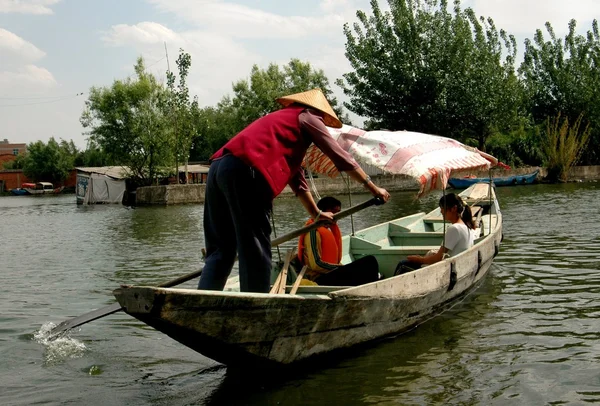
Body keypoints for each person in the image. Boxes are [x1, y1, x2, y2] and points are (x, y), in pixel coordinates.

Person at [198, 88, 391, 293]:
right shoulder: (307, 116)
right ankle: (256, 306)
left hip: (218, 168)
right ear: (321, 114)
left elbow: (297, 180)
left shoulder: (282, 124)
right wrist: (373, 187)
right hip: (245, 171)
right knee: (254, 248)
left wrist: (316, 214)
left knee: (220, 250)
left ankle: (201, 302)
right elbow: (339, 156)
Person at [297, 196, 380, 286]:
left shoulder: (326, 230)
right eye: (333, 214)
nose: (336, 218)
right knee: (369, 262)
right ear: (323, 212)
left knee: (367, 266)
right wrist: (341, 268)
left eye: (338, 214)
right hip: (320, 279)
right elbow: (316, 264)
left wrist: (343, 268)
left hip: (331, 273)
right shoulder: (313, 232)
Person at [396, 193, 476, 274]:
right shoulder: (466, 227)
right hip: (458, 267)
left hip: (447, 272)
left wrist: (419, 260)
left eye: (442, 208)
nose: (441, 211)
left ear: (454, 208)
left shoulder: (454, 229)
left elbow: (438, 258)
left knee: (402, 265)